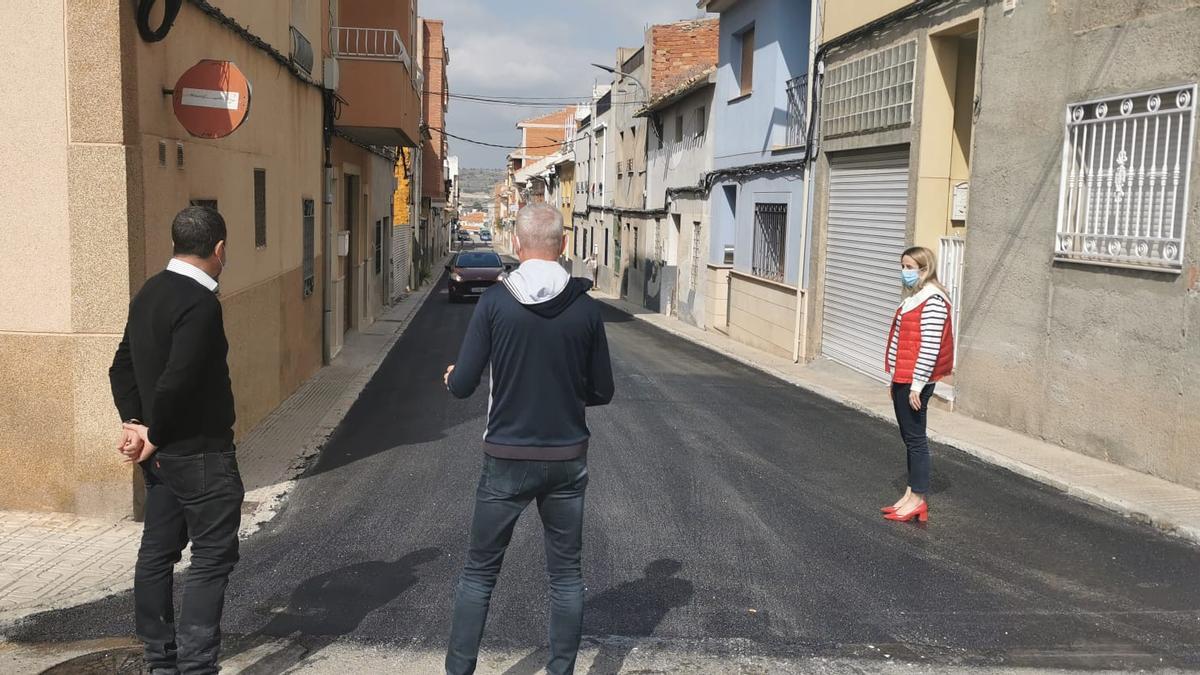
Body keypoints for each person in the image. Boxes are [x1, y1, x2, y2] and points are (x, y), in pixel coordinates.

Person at [443, 202, 615, 675]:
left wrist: (453, 376)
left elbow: (463, 386)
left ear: (516, 245)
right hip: (566, 460)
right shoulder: (585, 308)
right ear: (563, 245)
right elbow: (603, 390)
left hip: (505, 459)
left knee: (479, 573)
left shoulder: (496, 302)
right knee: (565, 577)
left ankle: (459, 671)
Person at [109, 205, 243, 674]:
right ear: (219, 249)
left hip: (163, 460)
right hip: (201, 456)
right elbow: (176, 381)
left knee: (156, 555)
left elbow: (121, 365)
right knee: (210, 560)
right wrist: (156, 435)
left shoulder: (149, 293)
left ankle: (160, 662)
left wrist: (136, 427)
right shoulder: (200, 303)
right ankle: (197, 667)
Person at [882, 246, 954, 524]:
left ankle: (918, 500)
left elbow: (930, 346)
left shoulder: (934, 300)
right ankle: (911, 495)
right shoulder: (915, 297)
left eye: (910, 267)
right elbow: (903, 343)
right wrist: (894, 379)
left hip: (916, 380)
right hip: (904, 376)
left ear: (925, 269)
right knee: (909, 439)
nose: (905, 272)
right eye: (903, 266)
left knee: (916, 441)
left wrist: (917, 385)